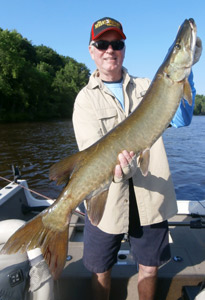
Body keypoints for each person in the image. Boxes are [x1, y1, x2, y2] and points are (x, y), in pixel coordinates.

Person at [72, 17, 202, 300]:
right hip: (105, 200)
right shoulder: (85, 100)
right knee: (99, 270)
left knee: (150, 269)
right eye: (102, 44)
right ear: (92, 50)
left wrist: (186, 70)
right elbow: (92, 152)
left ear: (124, 49)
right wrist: (118, 169)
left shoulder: (149, 85)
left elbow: (181, 119)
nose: (110, 50)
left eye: (116, 44)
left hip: (149, 200)